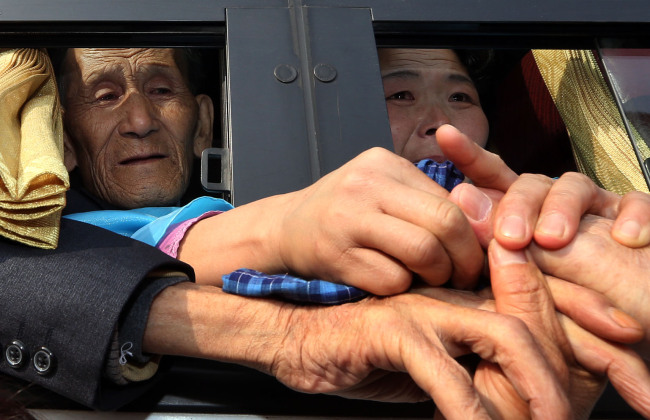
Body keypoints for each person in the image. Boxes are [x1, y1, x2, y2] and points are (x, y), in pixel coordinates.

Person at [1, 46, 645, 418]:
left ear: (203, 121)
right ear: (62, 140)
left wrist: (581, 249)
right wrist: (284, 244)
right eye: (105, 95)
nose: (140, 119)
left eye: (161, 88)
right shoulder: (43, 238)